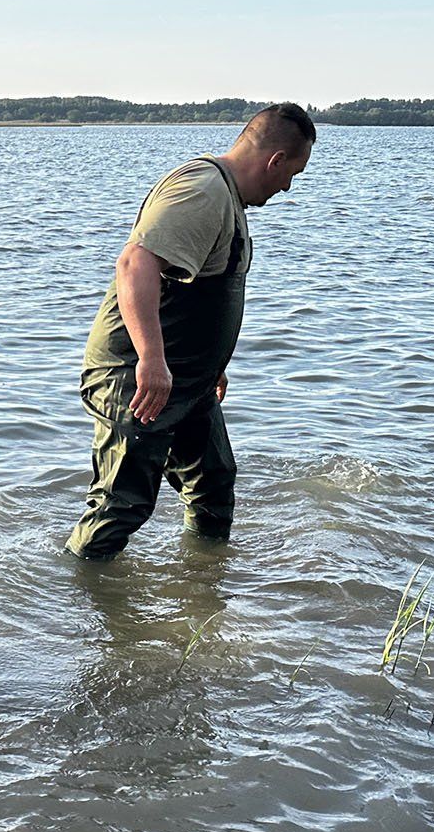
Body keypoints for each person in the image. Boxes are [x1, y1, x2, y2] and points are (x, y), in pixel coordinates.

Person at [64, 102, 315, 560]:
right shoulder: (202, 191)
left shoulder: (226, 198)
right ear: (275, 160)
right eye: (292, 174)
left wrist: (212, 365)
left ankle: (203, 589)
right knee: (121, 507)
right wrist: (151, 360)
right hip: (137, 376)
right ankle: (78, 610)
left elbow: (196, 292)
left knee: (213, 485)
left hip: (186, 379)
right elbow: (135, 264)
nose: (287, 187)